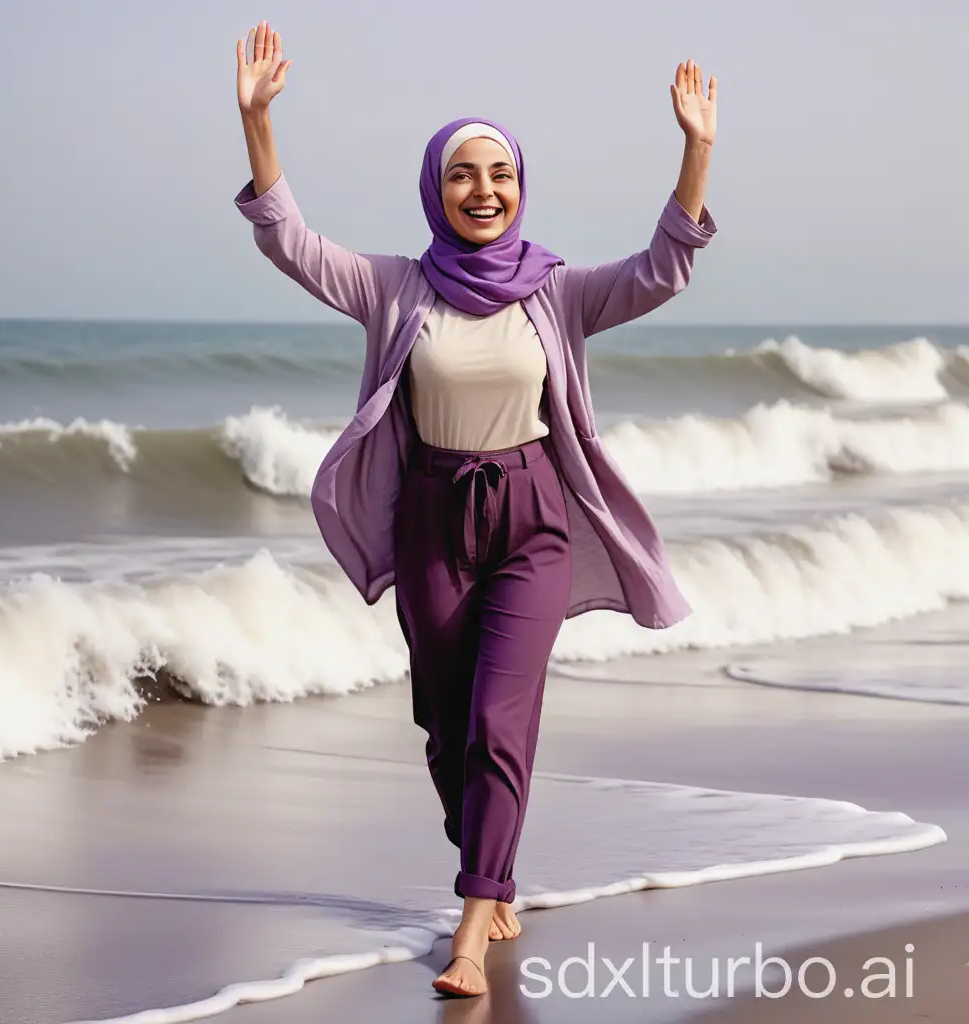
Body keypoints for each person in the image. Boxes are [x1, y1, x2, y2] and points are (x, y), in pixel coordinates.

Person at [233, 19, 717, 998]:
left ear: (519, 187)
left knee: (501, 717)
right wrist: (257, 126)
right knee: (444, 720)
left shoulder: (559, 291)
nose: (482, 189)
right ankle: (486, 858)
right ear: (435, 188)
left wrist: (695, 148)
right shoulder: (394, 287)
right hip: (431, 518)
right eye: (462, 173)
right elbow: (289, 241)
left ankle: (472, 921)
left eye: (498, 173)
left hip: (532, 516)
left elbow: (660, 269)